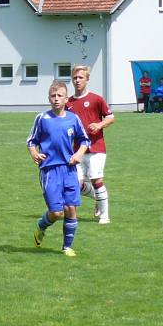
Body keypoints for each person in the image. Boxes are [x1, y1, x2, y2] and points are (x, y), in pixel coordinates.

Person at [27, 80, 90, 257]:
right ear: (49, 98)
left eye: (59, 96)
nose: (56, 99)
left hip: (69, 169)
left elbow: (85, 140)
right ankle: (41, 225)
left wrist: (79, 154)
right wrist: (34, 153)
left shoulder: (73, 118)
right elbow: (32, 141)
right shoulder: (42, 118)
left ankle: (67, 247)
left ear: (65, 98)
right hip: (49, 170)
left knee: (71, 208)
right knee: (56, 212)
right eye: (53, 96)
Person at [66, 65, 114, 224]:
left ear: (87, 79)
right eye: (75, 78)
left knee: (96, 179)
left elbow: (110, 117)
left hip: (96, 148)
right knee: (76, 185)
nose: (77, 80)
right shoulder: (69, 103)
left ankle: (105, 216)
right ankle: (98, 198)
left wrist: (99, 125)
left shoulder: (96, 99)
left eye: (80, 77)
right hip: (78, 150)